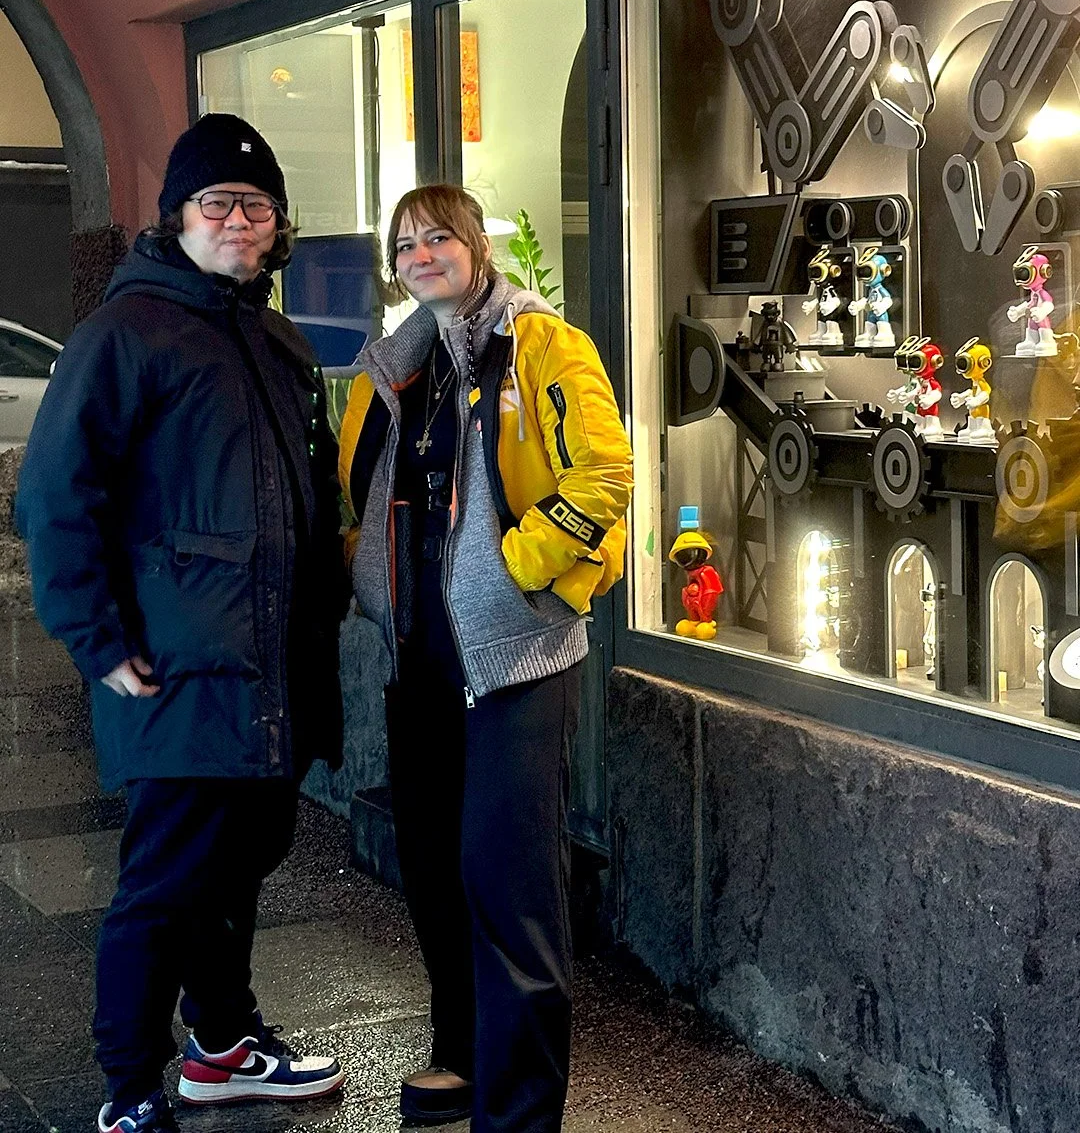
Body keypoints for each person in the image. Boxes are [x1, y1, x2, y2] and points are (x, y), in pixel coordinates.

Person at [16, 114, 348, 1133]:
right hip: (181, 669)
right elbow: (55, 497)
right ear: (180, 217)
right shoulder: (124, 335)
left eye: (258, 205)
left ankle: (222, 1045)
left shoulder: (277, 340)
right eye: (220, 202)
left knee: (236, 864)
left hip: (270, 671)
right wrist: (99, 640)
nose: (241, 220)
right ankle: (127, 1091)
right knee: (165, 886)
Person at [339, 184, 633, 1132]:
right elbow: (363, 495)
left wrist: (520, 571)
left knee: (510, 882)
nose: (422, 254)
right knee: (433, 864)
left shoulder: (544, 345)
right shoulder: (397, 364)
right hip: (420, 652)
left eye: (439, 237)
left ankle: (520, 1111)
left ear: (475, 246)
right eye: (406, 243)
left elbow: (605, 471)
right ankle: (462, 1057)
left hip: (514, 655)